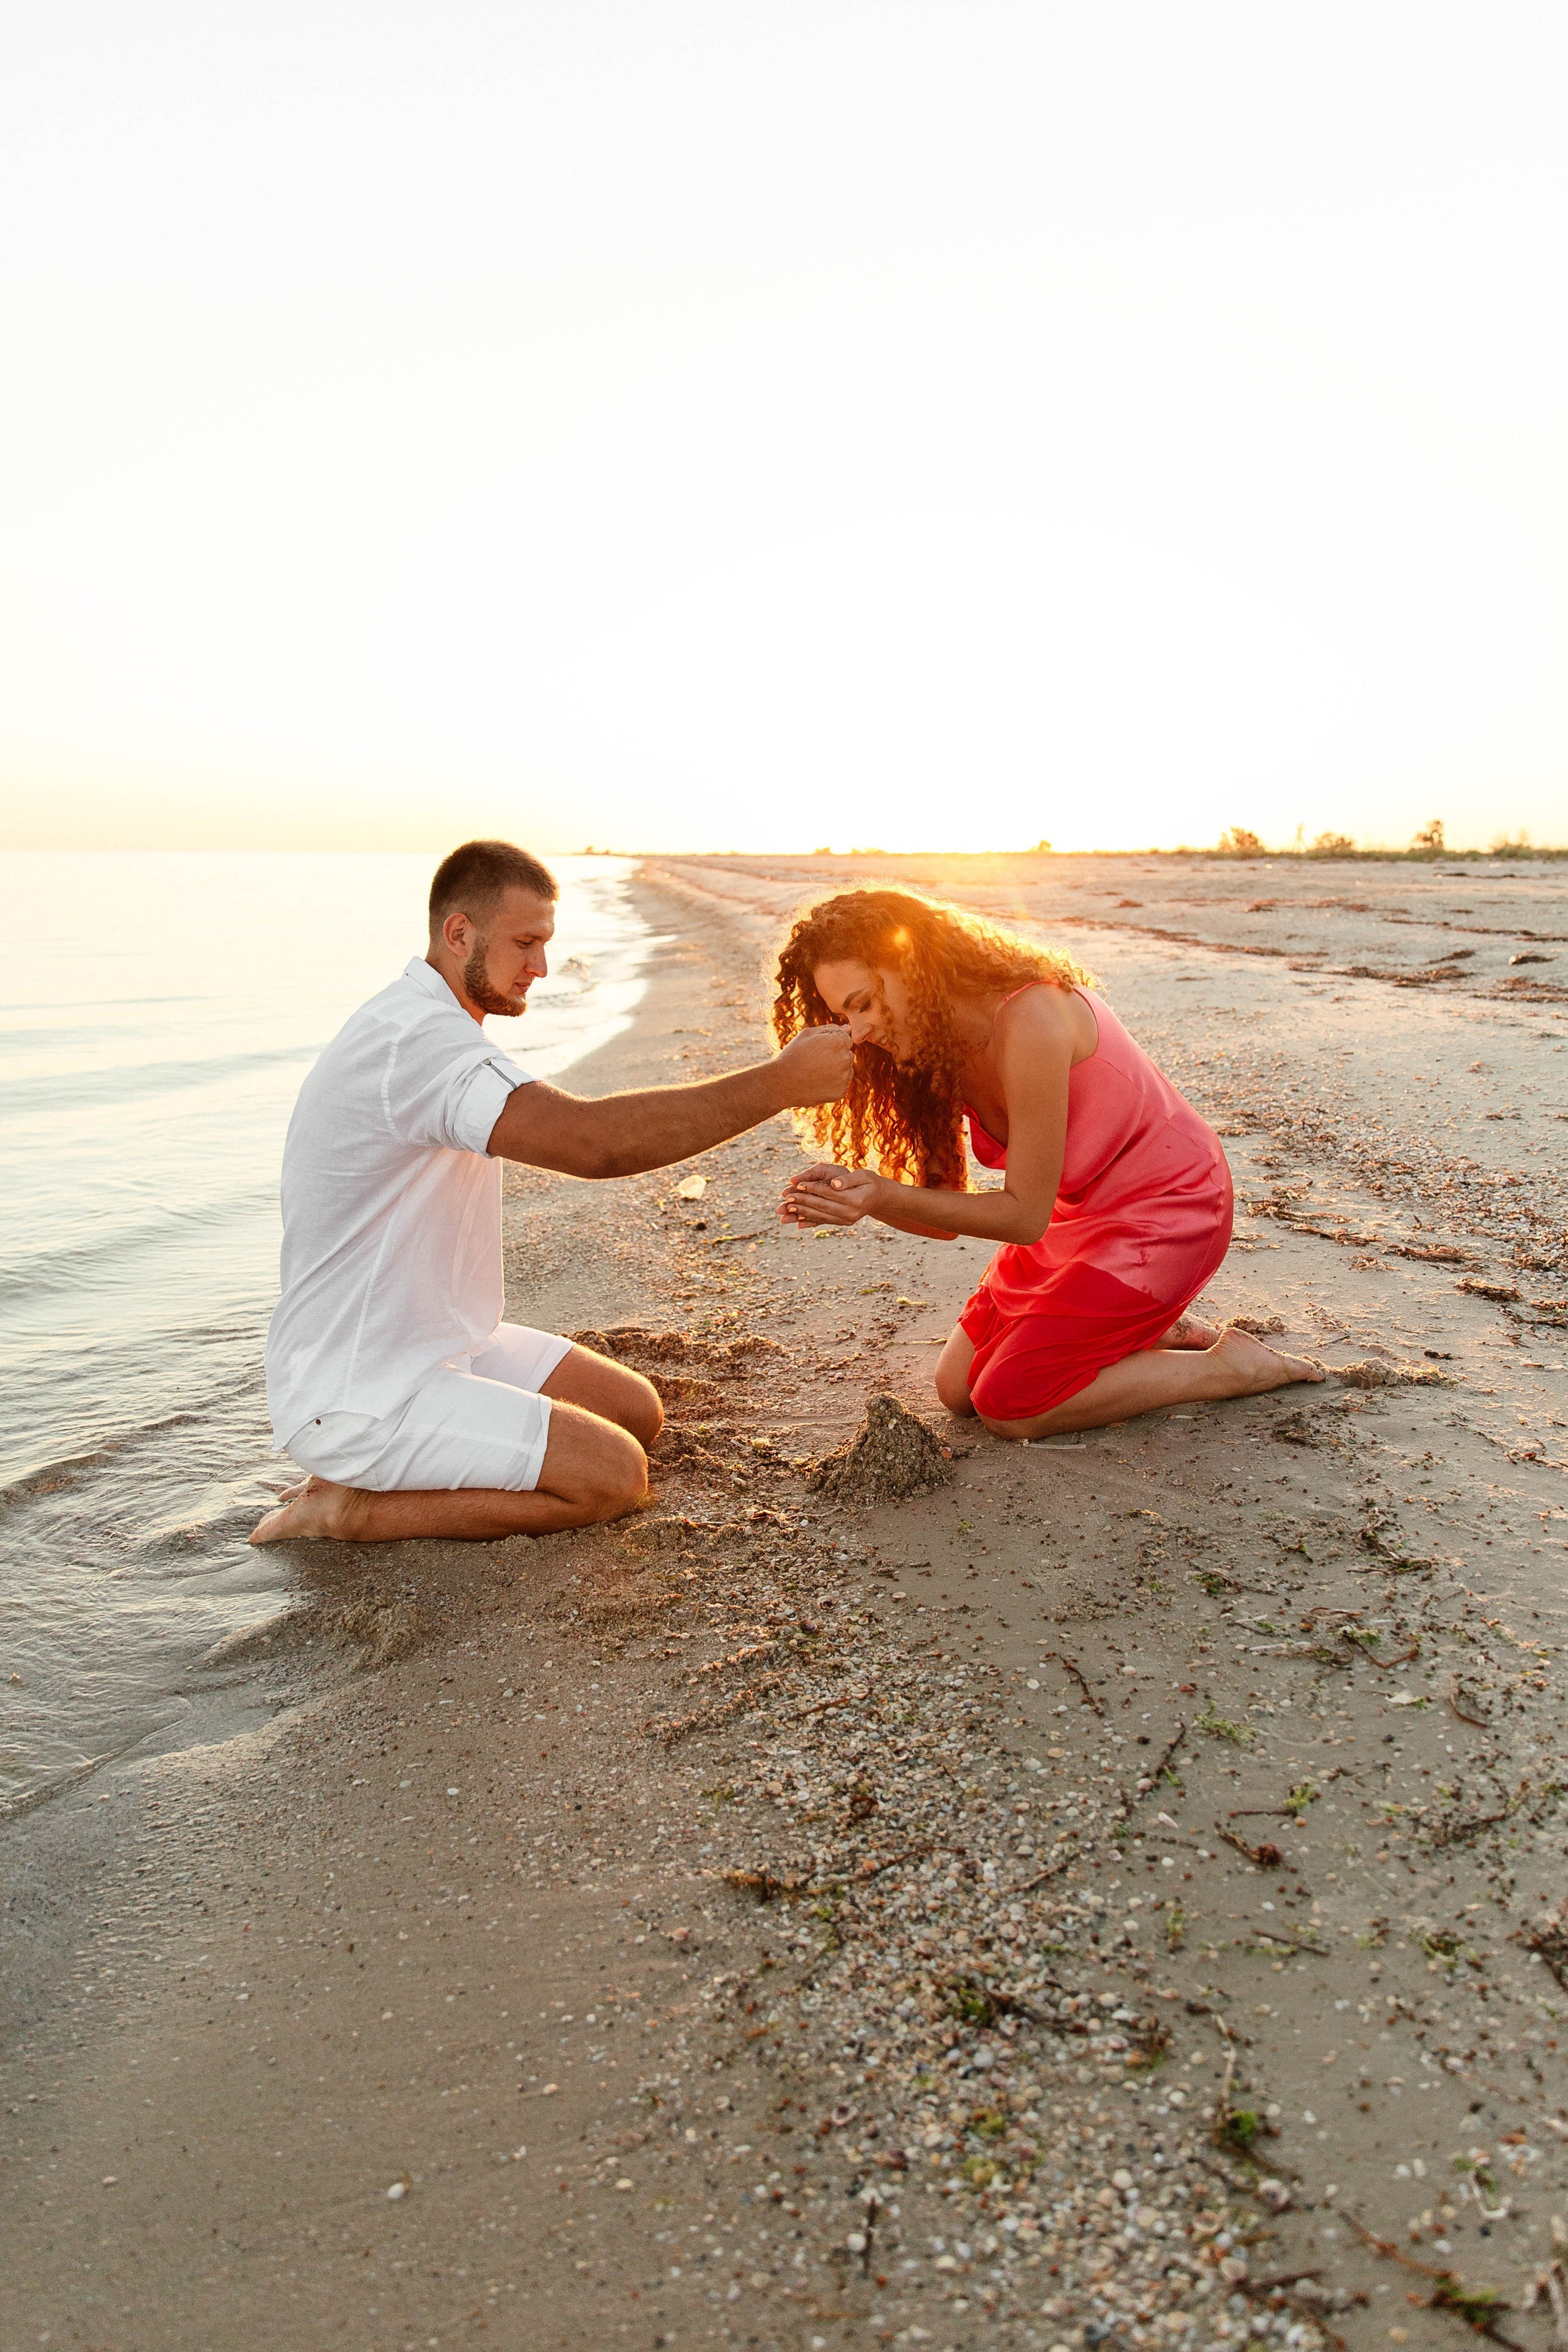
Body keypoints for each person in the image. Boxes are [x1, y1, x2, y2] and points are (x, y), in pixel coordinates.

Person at [252, 840, 851, 1544]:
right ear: (458, 933)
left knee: (635, 1412)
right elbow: (592, 1143)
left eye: (546, 943)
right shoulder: (413, 1042)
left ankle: (401, 1465)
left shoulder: (432, 1022)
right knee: (613, 1475)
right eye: (525, 942)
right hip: (362, 1391)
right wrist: (779, 1083)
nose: (539, 965)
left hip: (439, 1340)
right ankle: (347, 1511)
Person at [771, 887, 1320, 1438]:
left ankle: (1225, 1369)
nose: (860, 1031)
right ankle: (1146, 1332)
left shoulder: (1032, 1017)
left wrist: (882, 1193)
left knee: (1012, 1404)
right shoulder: (933, 1049)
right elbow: (940, 1216)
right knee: (957, 1389)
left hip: (1172, 1209)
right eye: (845, 1015)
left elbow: (1023, 1217)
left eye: (865, 1003)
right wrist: (860, 1198)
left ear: (911, 964)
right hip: (1076, 1220)